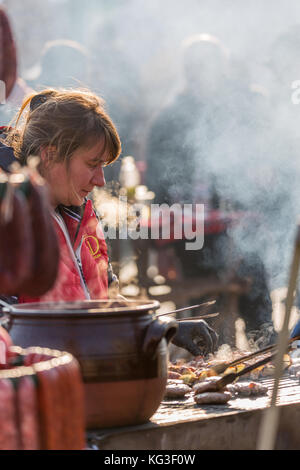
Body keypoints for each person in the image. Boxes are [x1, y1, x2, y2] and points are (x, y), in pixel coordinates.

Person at [0, 87, 218, 356]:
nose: (100, 180)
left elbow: (106, 302)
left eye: (103, 166)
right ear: (50, 154)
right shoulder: (8, 216)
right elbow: (8, 330)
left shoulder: (81, 212)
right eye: (92, 164)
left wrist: (165, 327)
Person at [145, 33, 277, 348]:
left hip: (244, 229)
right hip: (192, 234)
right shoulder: (169, 119)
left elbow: (266, 162)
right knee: (204, 310)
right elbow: (158, 186)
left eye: (210, 65)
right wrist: (161, 247)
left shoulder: (243, 107)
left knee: (255, 294)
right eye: (196, 66)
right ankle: (208, 360)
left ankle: (268, 354)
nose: (203, 73)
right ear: (187, 71)